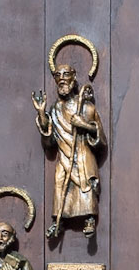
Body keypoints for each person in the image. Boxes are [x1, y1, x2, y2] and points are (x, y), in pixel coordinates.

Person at [34, 57, 105, 240]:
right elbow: (49, 142)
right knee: (60, 183)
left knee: (84, 184)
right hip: (64, 158)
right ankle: (59, 221)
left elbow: (101, 139)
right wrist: (42, 114)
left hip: (82, 156)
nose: (62, 78)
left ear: (74, 79)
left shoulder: (86, 108)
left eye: (66, 74)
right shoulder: (55, 109)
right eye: (58, 75)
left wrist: (85, 125)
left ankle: (89, 218)